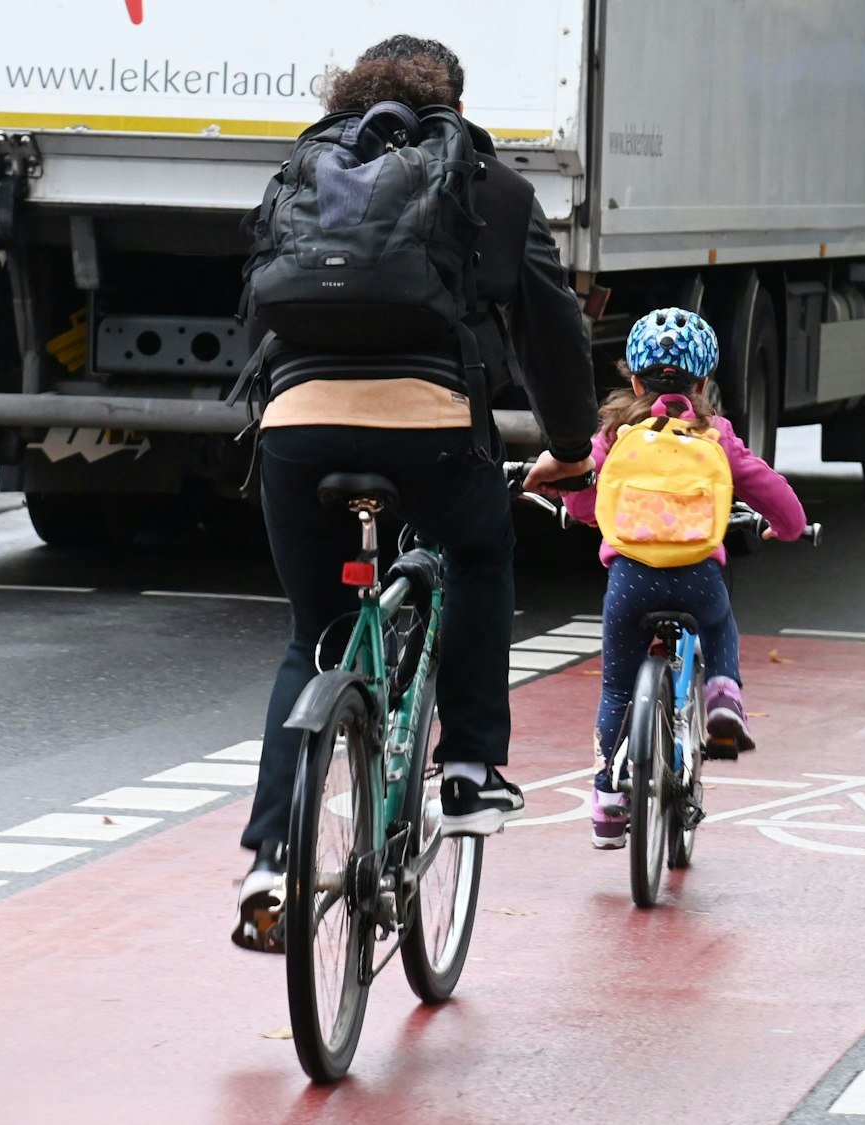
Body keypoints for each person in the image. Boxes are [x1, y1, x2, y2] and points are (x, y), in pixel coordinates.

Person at [232, 35, 600, 951]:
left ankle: (271, 862)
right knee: (477, 554)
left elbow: (252, 304)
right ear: (455, 105)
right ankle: (471, 766)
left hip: (295, 428)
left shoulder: (300, 172)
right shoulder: (490, 184)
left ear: (349, 95)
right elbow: (552, 330)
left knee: (313, 637)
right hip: (429, 430)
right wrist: (570, 448)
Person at [563, 309, 806, 850]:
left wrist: (584, 513)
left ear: (633, 379)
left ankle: (606, 802)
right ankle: (723, 697)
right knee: (719, 624)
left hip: (630, 581)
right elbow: (767, 487)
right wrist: (788, 527)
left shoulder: (611, 437)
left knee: (616, 688)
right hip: (698, 577)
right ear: (703, 383)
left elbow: (584, 496)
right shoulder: (715, 435)